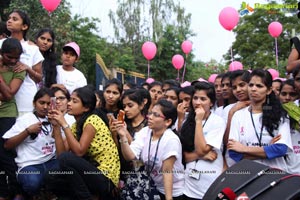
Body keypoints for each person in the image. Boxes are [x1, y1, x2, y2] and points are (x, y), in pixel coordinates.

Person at [48, 86, 120, 200]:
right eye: (70, 100)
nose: (69, 104)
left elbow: (79, 152)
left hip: (105, 178)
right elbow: (60, 154)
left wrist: (64, 124)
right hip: (91, 173)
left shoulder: (92, 120)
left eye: (74, 101)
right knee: (52, 175)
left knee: (66, 159)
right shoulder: (76, 126)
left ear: (86, 108)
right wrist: (56, 126)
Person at [117, 99, 184, 200]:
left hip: (171, 191)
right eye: (150, 113)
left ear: (168, 121)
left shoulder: (171, 140)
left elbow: (167, 172)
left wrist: (168, 198)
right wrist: (123, 136)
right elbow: (130, 156)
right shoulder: (145, 132)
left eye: (156, 115)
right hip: (152, 186)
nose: (150, 117)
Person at [227, 69, 292, 171]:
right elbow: (234, 153)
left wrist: (244, 149)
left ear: (269, 90)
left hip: (275, 174)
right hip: (248, 175)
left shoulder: (280, 115)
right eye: (251, 85)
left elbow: (280, 149)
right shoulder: (238, 115)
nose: (253, 89)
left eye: (259, 86)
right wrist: (267, 150)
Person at [3, 88, 59, 198]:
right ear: (34, 103)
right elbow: (7, 145)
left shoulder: (55, 118)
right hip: (29, 165)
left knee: (68, 172)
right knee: (32, 183)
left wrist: (56, 126)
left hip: (50, 162)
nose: (45, 107)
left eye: (48, 103)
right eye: (41, 103)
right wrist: (27, 131)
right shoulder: (26, 119)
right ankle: (27, 194)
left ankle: (47, 193)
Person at [180, 82, 226, 199]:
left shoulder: (217, 122)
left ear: (211, 103)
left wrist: (199, 121)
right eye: (195, 98)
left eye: (203, 99)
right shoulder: (187, 121)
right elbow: (184, 156)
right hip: (188, 185)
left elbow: (202, 150)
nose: (197, 102)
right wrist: (199, 156)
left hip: (209, 184)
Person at [110, 88, 152, 199]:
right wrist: (114, 134)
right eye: (124, 106)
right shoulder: (123, 122)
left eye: (130, 105)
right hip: (122, 171)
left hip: (141, 174)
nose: (126, 109)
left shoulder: (149, 125)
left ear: (142, 105)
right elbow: (117, 150)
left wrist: (125, 133)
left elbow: (137, 155)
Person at [1, 10, 44, 116]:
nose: (9, 21)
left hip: (25, 99)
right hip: (3, 101)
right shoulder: (1, 43)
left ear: (24, 26)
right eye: (9, 18)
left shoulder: (32, 49)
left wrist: (28, 68)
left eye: (14, 19)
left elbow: (39, 78)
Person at [0, 38, 25, 200]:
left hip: (7, 114)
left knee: (5, 153)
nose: (14, 61)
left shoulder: (18, 69)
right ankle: (3, 192)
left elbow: (9, 95)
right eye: (10, 57)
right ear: (2, 53)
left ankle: (18, 190)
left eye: (17, 57)